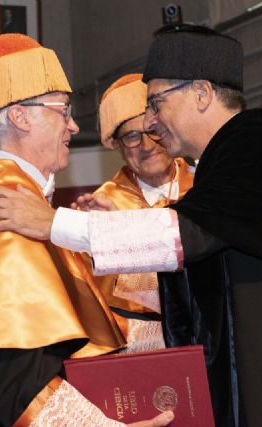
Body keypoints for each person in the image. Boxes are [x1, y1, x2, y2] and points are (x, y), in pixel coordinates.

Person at [0, 24, 262, 427]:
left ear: (201, 93)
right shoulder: (225, 163)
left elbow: (185, 235)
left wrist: (53, 222)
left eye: (156, 103)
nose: (151, 122)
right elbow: (200, 261)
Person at [0, 33, 173, 427]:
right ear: (20, 117)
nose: (73, 125)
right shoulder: (0, 195)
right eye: (63, 111)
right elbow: (13, 369)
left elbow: (99, 325)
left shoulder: (27, 200)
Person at [73, 73, 194, 353]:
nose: (147, 146)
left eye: (153, 130)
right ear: (116, 145)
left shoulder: (205, 189)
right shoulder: (101, 210)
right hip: (137, 352)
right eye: (131, 136)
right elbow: (95, 303)